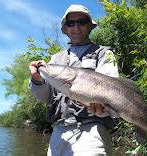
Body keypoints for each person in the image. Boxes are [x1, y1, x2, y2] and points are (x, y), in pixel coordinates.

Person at [29, 4, 119, 156]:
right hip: (59, 132)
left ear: (90, 26)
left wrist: (102, 108)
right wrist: (38, 80)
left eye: (81, 22)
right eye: (71, 23)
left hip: (92, 131)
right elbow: (46, 97)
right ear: (66, 28)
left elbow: (112, 94)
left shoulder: (104, 53)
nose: (75, 27)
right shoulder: (56, 59)